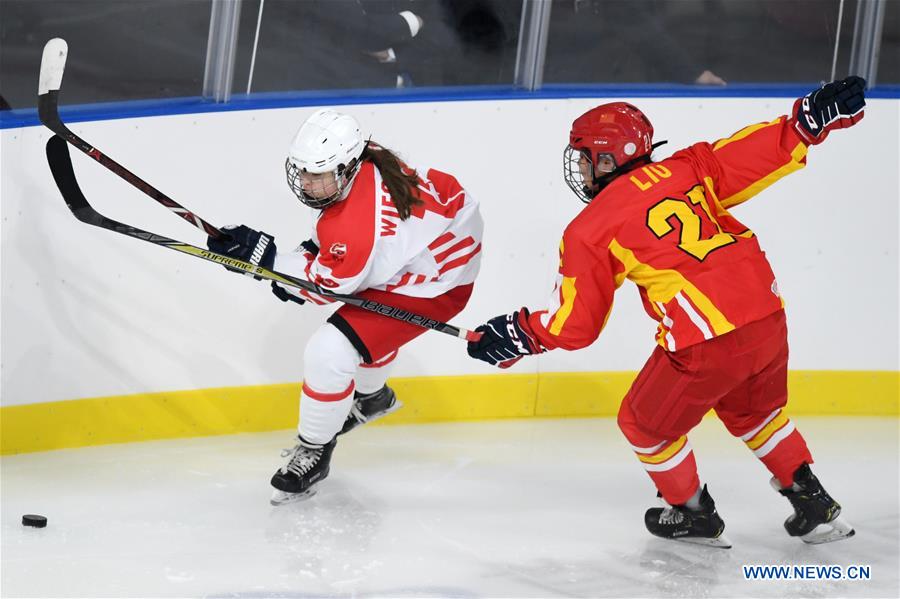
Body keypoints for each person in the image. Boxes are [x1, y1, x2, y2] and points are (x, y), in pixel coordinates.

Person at [467, 77, 866, 547]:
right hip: (766, 314)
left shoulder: (590, 228)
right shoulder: (688, 167)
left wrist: (519, 332)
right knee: (755, 414)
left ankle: (693, 513)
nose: (579, 168)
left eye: (583, 157)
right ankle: (815, 506)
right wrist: (803, 123)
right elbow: (751, 153)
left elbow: (576, 326)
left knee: (643, 424)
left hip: (708, 340)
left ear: (607, 159)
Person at [209, 109, 483, 505]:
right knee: (363, 333)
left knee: (330, 350)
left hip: (435, 288)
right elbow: (338, 255)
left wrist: (264, 262)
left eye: (317, 175)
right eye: (302, 171)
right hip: (435, 255)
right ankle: (372, 398)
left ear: (348, 167)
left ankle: (315, 450)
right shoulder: (364, 165)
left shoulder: (358, 226)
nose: (306, 182)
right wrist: (272, 261)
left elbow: (322, 287)